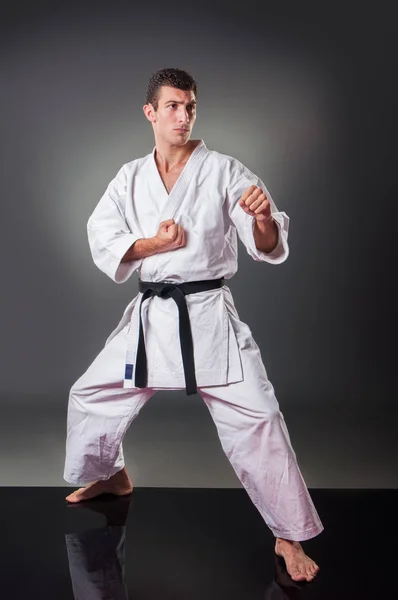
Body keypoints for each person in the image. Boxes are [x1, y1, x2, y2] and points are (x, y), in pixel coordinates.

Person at [64, 68, 323, 582]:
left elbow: (266, 243)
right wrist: (153, 246)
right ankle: (109, 474)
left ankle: (288, 535)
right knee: (90, 394)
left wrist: (265, 220)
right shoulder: (130, 177)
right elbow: (103, 236)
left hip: (207, 316)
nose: (183, 116)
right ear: (151, 113)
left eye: (191, 106)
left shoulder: (225, 170)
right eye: (173, 106)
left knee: (261, 420)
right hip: (153, 314)